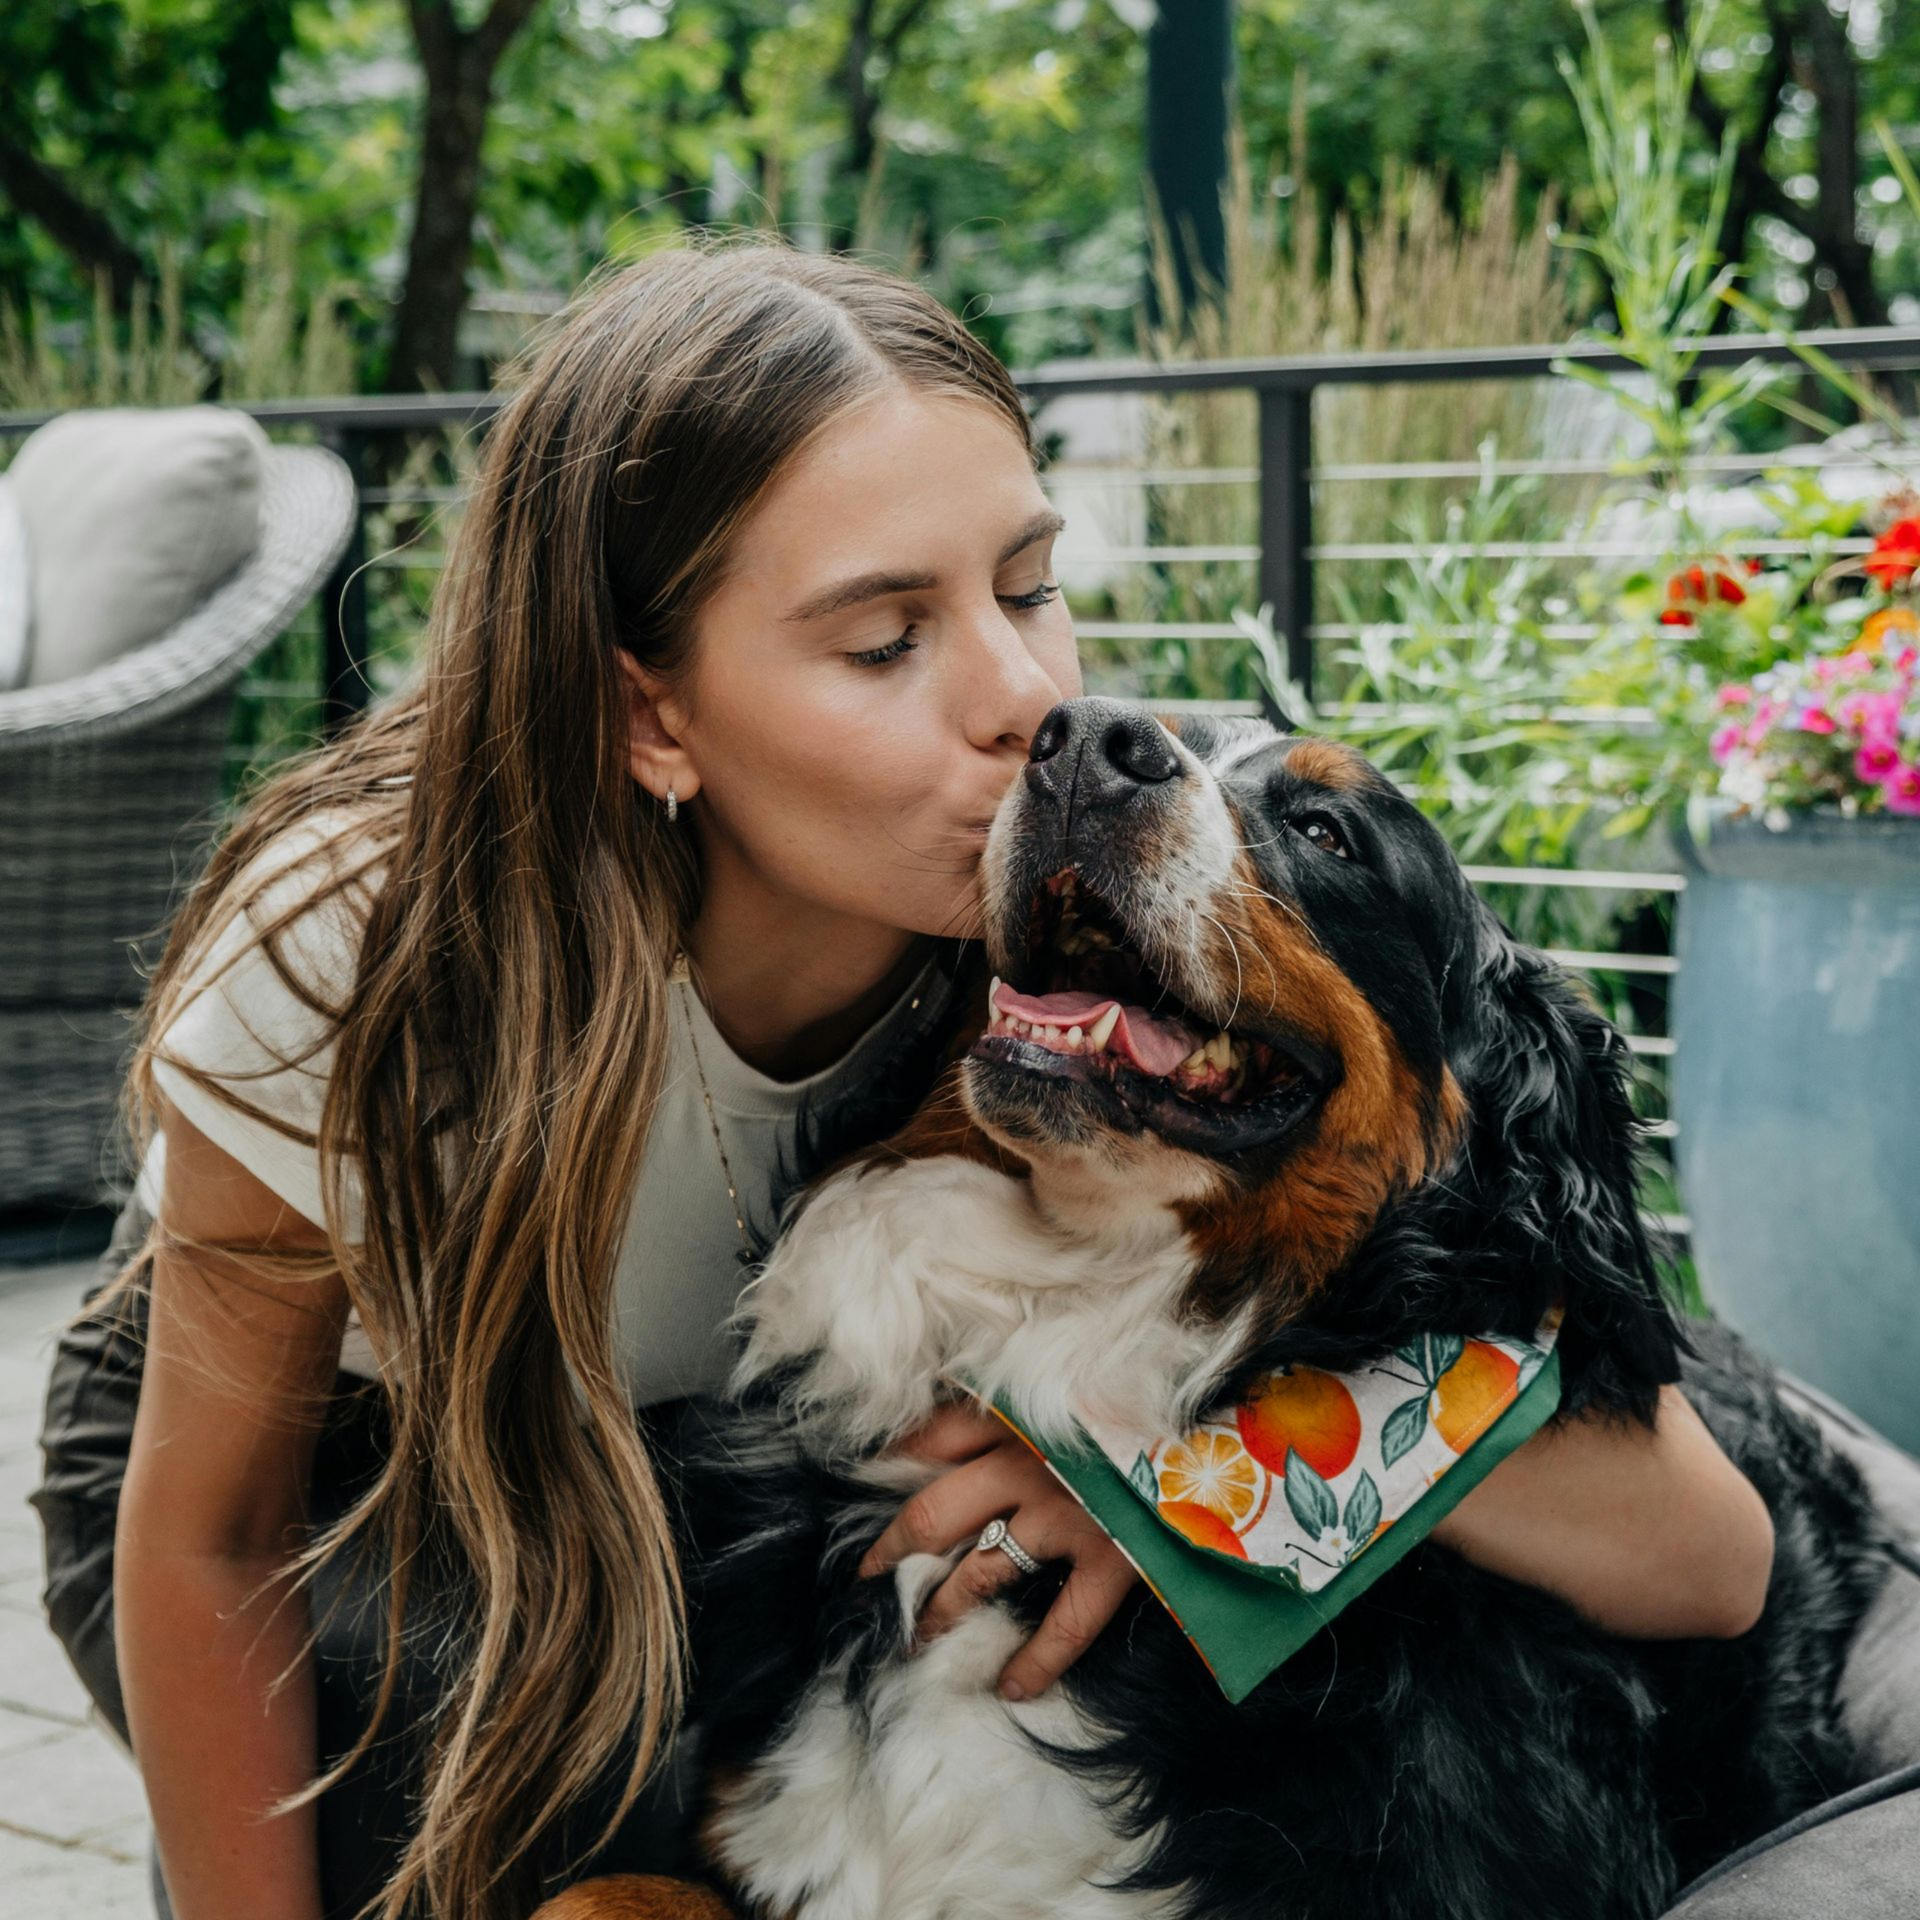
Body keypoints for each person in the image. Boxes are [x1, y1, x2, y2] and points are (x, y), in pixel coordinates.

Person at [31, 234, 1778, 1920]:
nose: (1025, 698)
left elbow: (1703, 1549)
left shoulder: (1038, 915)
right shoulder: (363, 949)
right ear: (653, 717)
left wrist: (1182, 1490)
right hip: (334, 1453)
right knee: (598, 1769)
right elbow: (209, 1538)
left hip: (692, 1458)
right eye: (887, 642)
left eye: (1028, 586)